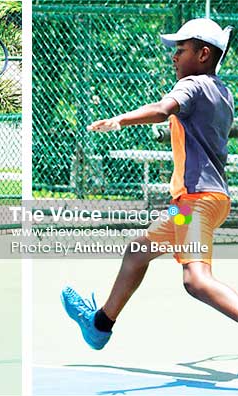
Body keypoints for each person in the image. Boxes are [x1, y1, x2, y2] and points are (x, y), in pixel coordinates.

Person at [63, 18, 234, 350]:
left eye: (181, 50)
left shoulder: (193, 85)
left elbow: (162, 109)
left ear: (203, 54)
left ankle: (100, 324)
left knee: (196, 281)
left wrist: (121, 119)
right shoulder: (223, 93)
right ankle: (99, 325)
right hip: (197, 202)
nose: (174, 56)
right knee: (138, 251)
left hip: (196, 201)